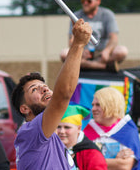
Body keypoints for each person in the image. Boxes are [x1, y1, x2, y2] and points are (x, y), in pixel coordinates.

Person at [11, 19, 92, 169]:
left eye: (45, 86)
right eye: (34, 89)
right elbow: (62, 96)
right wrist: (78, 44)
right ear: (24, 109)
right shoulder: (31, 131)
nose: (44, 89)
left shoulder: (50, 135)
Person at [60, 0, 128, 72]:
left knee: (122, 51)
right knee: (64, 54)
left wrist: (107, 51)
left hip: (102, 54)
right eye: (83, 0)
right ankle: (102, 66)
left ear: (98, 1)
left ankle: (86, 65)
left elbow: (114, 38)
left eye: (89, 1)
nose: (85, 3)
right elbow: (71, 40)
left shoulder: (107, 14)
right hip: (83, 54)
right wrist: (80, 49)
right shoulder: (76, 16)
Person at [84, 87, 140, 170]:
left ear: (111, 105)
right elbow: (80, 161)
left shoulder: (127, 130)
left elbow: (125, 166)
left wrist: (93, 160)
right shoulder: (88, 129)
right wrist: (115, 160)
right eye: (93, 105)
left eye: (98, 105)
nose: (93, 109)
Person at [57, 105, 107, 170]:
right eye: (58, 127)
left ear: (79, 128)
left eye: (67, 127)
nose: (62, 131)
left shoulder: (92, 154)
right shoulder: (51, 147)